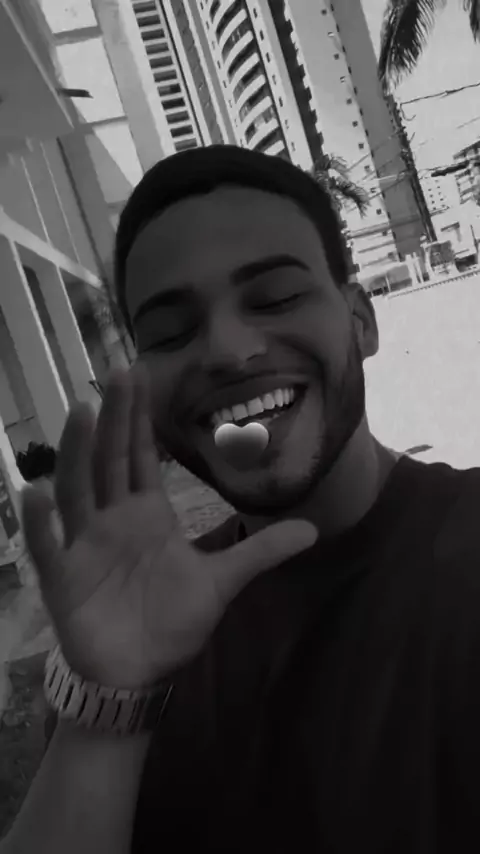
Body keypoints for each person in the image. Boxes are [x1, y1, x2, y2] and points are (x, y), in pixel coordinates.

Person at [1, 144, 479, 854]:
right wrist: (107, 705)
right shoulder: (139, 624)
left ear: (360, 320)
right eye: (170, 332)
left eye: (276, 297)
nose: (227, 350)